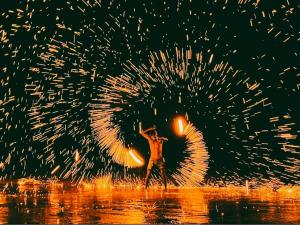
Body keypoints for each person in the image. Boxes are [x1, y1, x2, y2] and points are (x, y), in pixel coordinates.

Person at [140, 125, 168, 190]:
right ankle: (145, 188)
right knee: (148, 174)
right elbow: (142, 133)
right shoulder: (150, 140)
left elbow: (167, 139)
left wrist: (163, 139)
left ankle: (165, 188)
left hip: (159, 159)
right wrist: (151, 128)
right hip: (152, 159)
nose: (155, 137)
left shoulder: (160, 140)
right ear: (151, 136)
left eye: (156, 135)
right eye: (154, 136)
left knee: (163, 174)